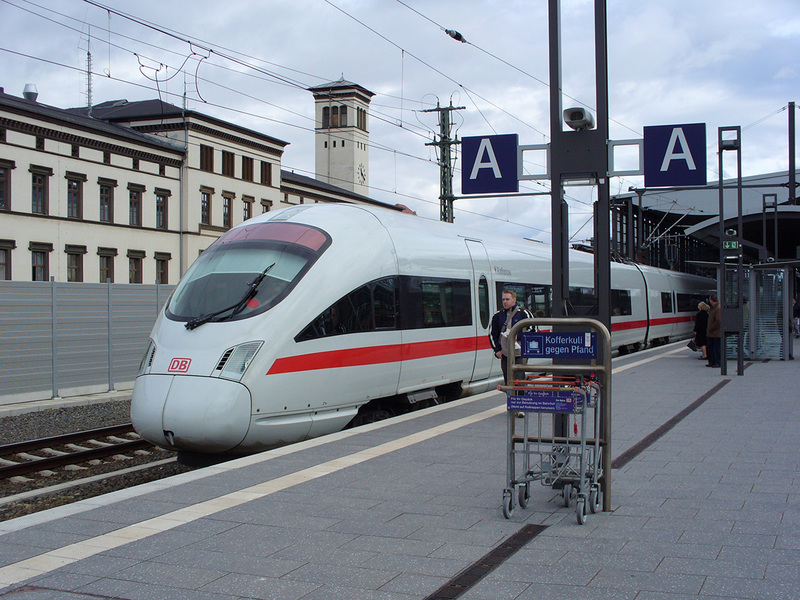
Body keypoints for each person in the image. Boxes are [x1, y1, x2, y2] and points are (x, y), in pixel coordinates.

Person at [489, 289, 533, 384]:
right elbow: (492, 333)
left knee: (519, 380)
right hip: (505, 354)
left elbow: (533, 330)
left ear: (514, 299)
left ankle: (520, 397)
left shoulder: (524, 313)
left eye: (507, 299)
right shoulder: (498, 315)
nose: (505, 302)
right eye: (503, 299)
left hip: (520, 353)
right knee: (508, 380)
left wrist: (518, 337)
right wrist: (497, 350)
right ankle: (511, 397)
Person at [706, 294, 721, 368]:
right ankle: (712, 361)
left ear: (711, 300)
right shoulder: (713, 308)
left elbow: (718, 321)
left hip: (716, 333)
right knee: (710, 348)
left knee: (716, 348)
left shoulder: (718, 308)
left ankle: (717, 362)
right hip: (711, 333)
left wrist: (711, 328)